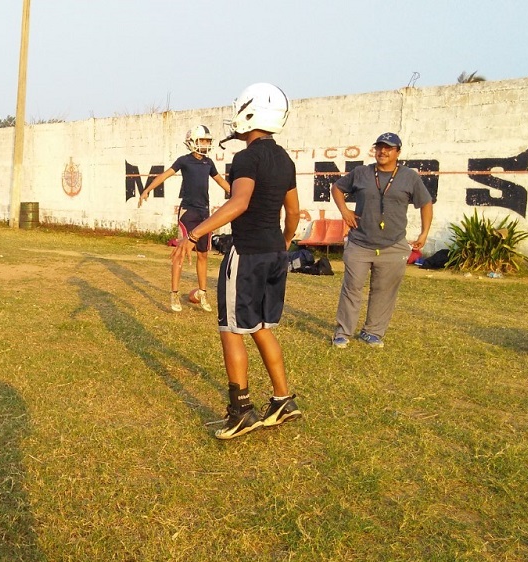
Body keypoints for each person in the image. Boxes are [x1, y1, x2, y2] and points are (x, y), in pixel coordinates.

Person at [171, 83, 302, 439]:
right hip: (275, 252)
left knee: (230, 329)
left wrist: (194, 234)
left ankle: (241, 411)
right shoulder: (285, 158)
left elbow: (239, 201)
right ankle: (282, 401)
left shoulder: (246, 157)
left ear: (249, 113)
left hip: (248, 254)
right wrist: (285, 242)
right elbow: (293, 211)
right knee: (261, 326)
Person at [330, 132, 433, 348]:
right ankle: (343, 332)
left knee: (384, 289)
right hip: (360, 242)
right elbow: (337, 188)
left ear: (398, 152)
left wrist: (424, 233)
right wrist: (345, 211)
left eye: (388, 148)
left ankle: (373, 332)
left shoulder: (409, 177)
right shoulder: (361, 173)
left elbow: (426, 203)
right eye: (379, 147)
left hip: (393, 245)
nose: (382, 151)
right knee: (352, 287)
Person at [139, 125, 231, 313]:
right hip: (188, 211)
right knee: (180, 252)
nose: (205, 144)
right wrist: (147, 189)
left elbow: (221, 181)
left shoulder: (209, 163)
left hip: (204, 213)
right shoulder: (184, 161)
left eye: (207, 141)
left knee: (203, 254)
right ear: (192, 142)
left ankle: (202, 292)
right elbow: (165, 175)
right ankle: (174, 293)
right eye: (202, 140)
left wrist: (238, 195)